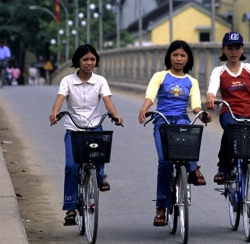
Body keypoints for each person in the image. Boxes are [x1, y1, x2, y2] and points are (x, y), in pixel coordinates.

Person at [206, 32, 250, 227]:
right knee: (230, 129)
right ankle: (223, 167)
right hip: (229, 113)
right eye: (230, 48)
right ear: (223, 50)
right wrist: (211, 98)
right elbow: (212, 90)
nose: (234, 51)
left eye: (237, 48)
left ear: (242, 49)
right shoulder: (218, 72)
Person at [138, 40, 211, 227]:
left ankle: (193, 169)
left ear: (188, 59)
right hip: (162, 120)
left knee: (189, 146)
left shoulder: (191, 82)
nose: (179, 59)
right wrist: (144, 109)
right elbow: (150, 96)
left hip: (182, 121)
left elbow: (195, 105)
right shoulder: (160, 76)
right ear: (169, 56)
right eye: (175, 55)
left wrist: (201, 114)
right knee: (165, 161)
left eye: (183, 55)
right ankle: (161, 208)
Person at [49, 44, 123, 226]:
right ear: (78, 62)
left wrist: (115, 115)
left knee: (101, 150)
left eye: (92, 59)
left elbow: (107, 101)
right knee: (71, 166)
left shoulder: (100, 81)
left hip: (94, 125)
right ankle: (71, 208)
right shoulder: (67, 81)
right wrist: (55, 113)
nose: (89, 63)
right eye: (85, 59)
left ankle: (100, 175)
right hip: (74, 128)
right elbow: (60, 98)